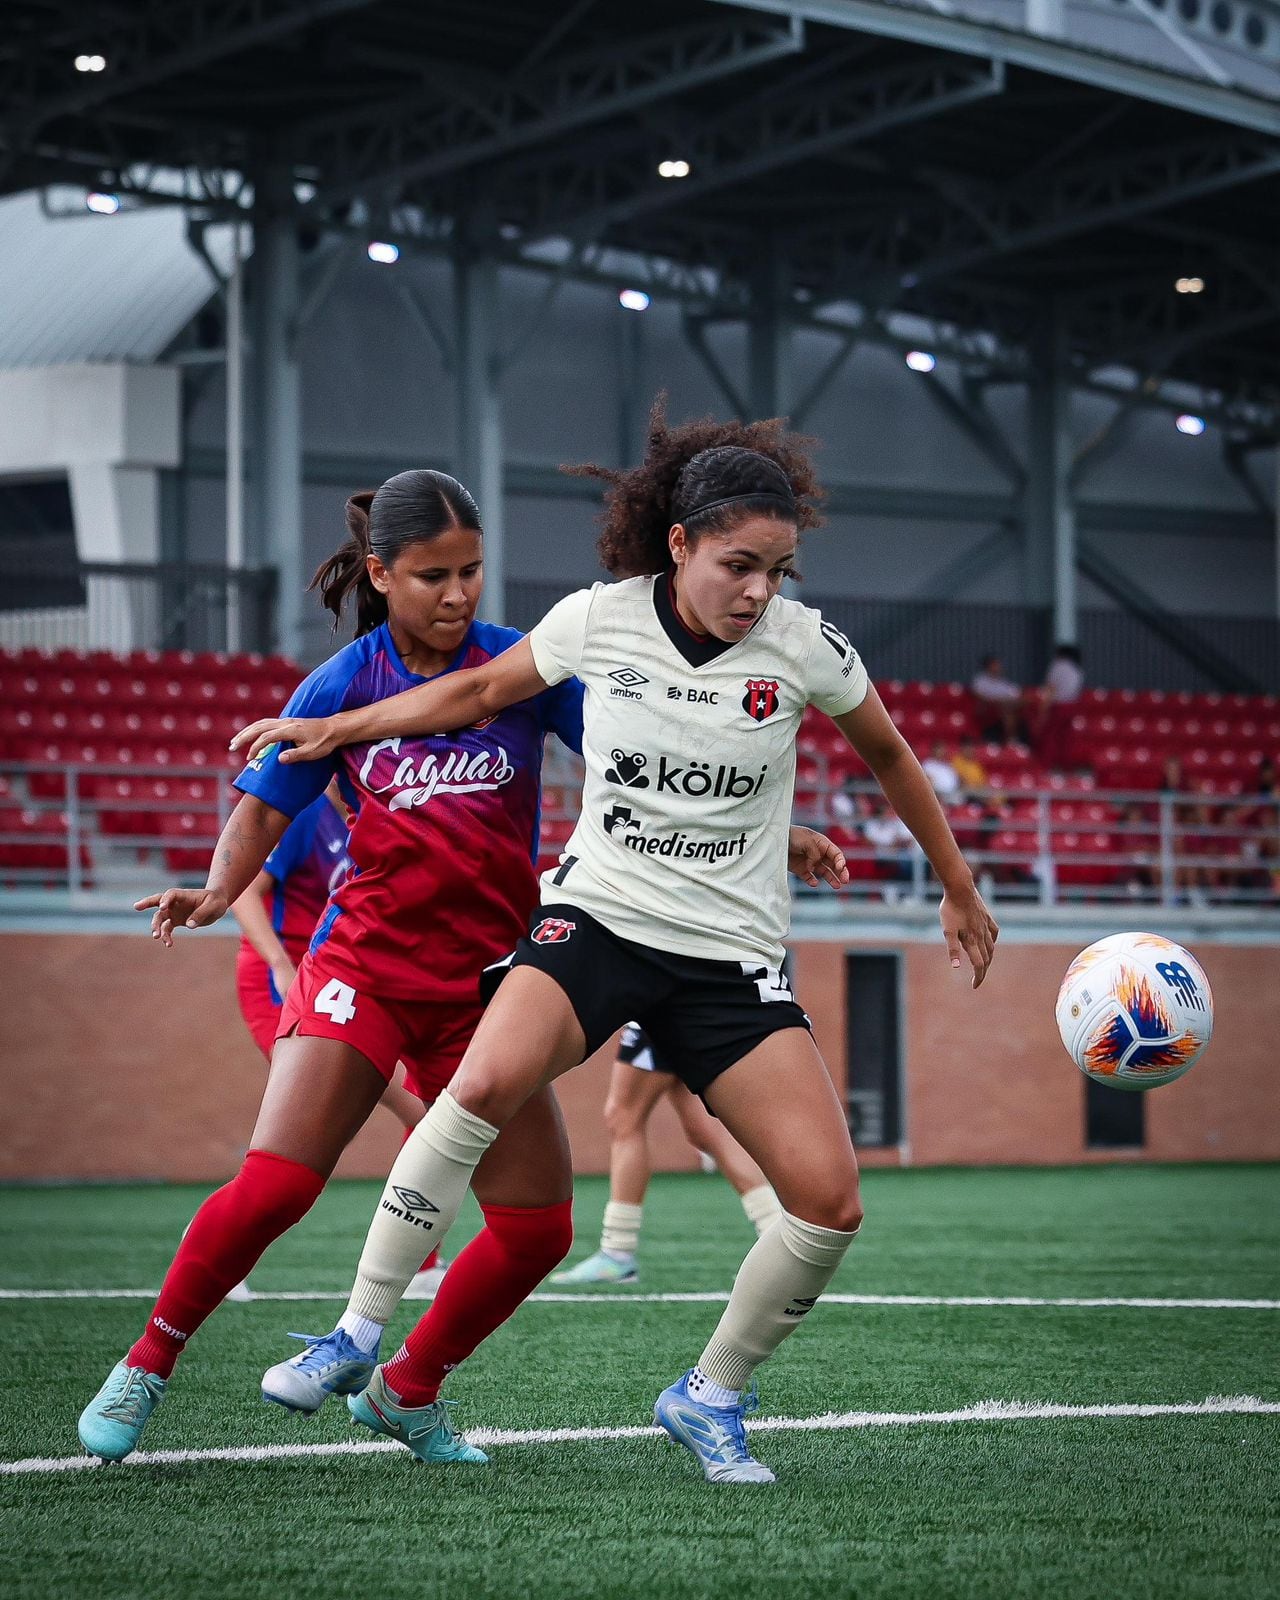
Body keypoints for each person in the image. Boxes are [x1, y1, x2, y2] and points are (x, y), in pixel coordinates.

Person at [231, 402, 998, 1485]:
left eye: (776, 569)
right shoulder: (600, 618)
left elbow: (891, 756)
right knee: (483, 1081)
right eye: (737, 564)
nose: (758, 591)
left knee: (829, 1203)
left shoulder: (807, 647)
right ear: (678, 546)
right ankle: (358, 1332)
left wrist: (957, 885)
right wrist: (337, 728)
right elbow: (478, 689)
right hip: (597, 919)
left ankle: (709, 1395)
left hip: (728, 957)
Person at [77, 469, 587, 1467]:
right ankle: (144, 1362)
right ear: (380, 572)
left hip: (488, 989)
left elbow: (623, 755)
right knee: (275, 1185)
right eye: (434, 574)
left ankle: (407, 1391)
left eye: (472, 570)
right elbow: (263, 809)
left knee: (537, 1229)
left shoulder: (519, 669)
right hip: (363, 966)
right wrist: (219, 890)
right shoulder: (343, 682)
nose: (458, 592)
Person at [229, 781, 445, 1301]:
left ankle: (420, 1263)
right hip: (286, 979)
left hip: (341, 978)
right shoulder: (305, 814)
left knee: (417, 1113)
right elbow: (242, 891)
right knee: (397, 1114)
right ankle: (218, 1241)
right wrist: (281, 965)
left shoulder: (367, 813)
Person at [551, 1023, 780, 1286]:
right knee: (704, 1128)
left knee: (624, 1116)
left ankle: (618, 1250)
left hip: (660, 1006)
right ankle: (775, 1234)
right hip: (691, 1008)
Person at [1032, 643, 1084, 770]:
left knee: (1049, 736)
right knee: (1066, 738)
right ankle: (1067, 766)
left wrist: (1043, 708)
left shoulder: (1057, 667)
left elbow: (1051, 689)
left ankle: (1044, 765)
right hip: (1072, 706)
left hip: (1058, 706)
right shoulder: (1076, 669)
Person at [970, 654, 1024, 743]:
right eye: (995, 665)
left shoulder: (1003, 683)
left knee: (1015, 706)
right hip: (987, 709)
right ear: (988, 666)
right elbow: (979, 696)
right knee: (1007, 709)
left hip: (1006, 708)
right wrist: (998, 701)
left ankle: (1014, 739)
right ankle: (1011, 740)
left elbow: (1016, 694)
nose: (998, 667)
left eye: (998, 665)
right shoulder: (980, 680)